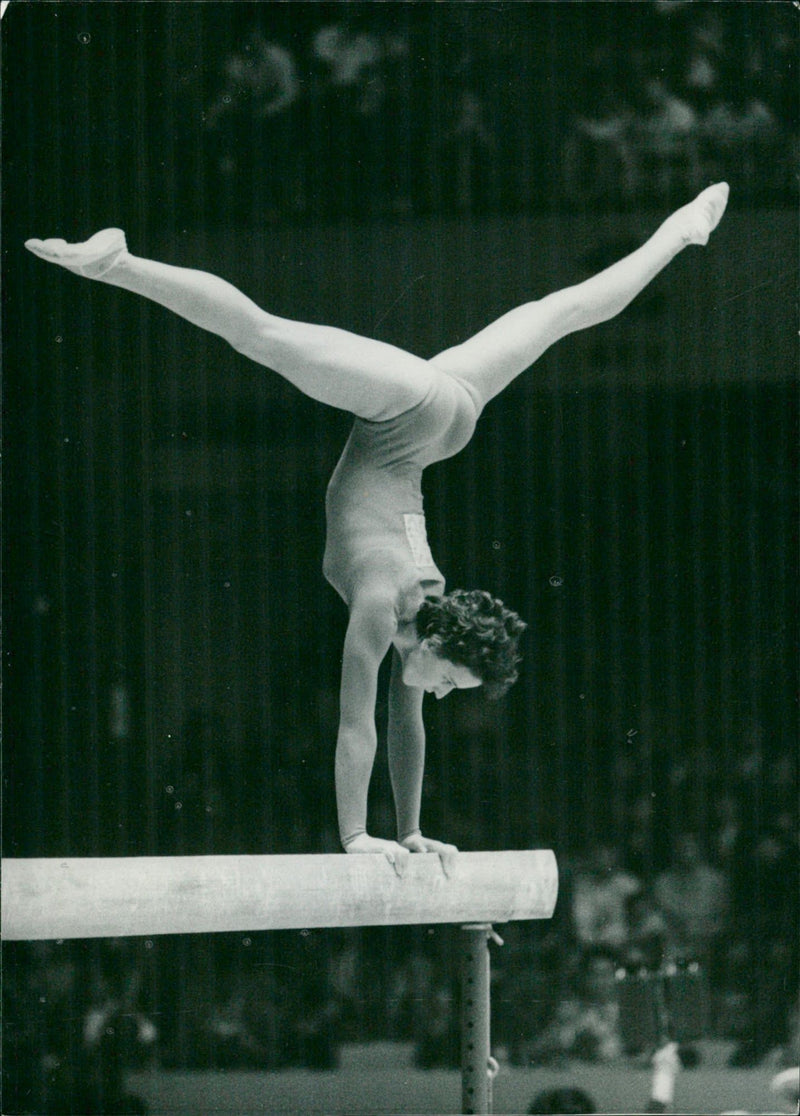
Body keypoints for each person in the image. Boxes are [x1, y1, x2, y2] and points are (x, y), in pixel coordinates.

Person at [25, 182, 729, 872]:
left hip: (448, 419)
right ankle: (118, 262)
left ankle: (679, 232)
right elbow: (356, 723)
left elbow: (401, 725)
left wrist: (413, 830)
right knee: (261, 335)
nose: (443, 693)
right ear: (445, 640)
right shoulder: (386, 602)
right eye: (453, 680)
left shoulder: (414, 612)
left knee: (559, 312)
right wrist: (356, 835)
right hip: (407, 413)